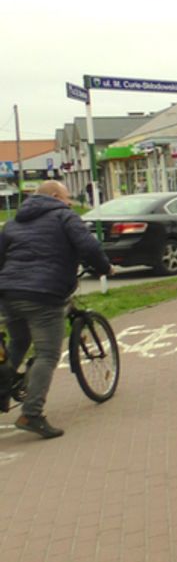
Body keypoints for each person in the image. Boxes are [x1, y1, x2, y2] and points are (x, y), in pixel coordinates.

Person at [0, 181, 112, 438]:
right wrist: (105, 268)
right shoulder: (64, 216)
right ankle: (32, 414)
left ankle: (3, 391)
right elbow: (89, 247)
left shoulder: (14, 222)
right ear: (53, 197)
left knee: (18, 340)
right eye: (66, 197)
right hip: (44, 293)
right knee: (48, 354)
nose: (70, 202)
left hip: (8, 293)